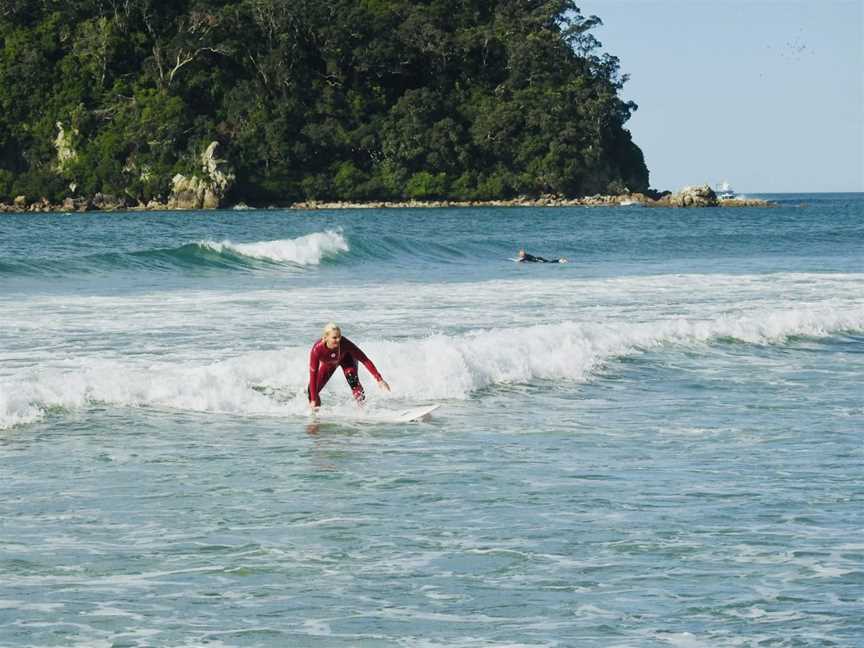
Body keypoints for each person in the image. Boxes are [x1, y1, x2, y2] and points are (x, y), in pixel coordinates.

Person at [307, 322, 390, 410]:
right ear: (325, 337)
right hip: (330, 365)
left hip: (348, 361)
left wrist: (379, 379)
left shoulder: (345, 343)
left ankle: (362, 411)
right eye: (334, 338)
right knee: (311, 392)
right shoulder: (317, 350)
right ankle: (316, 414)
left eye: (339, 336)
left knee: (353, 380)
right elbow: (313, 375)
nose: (338, 340)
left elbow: (364, 359)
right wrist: (313, 400)